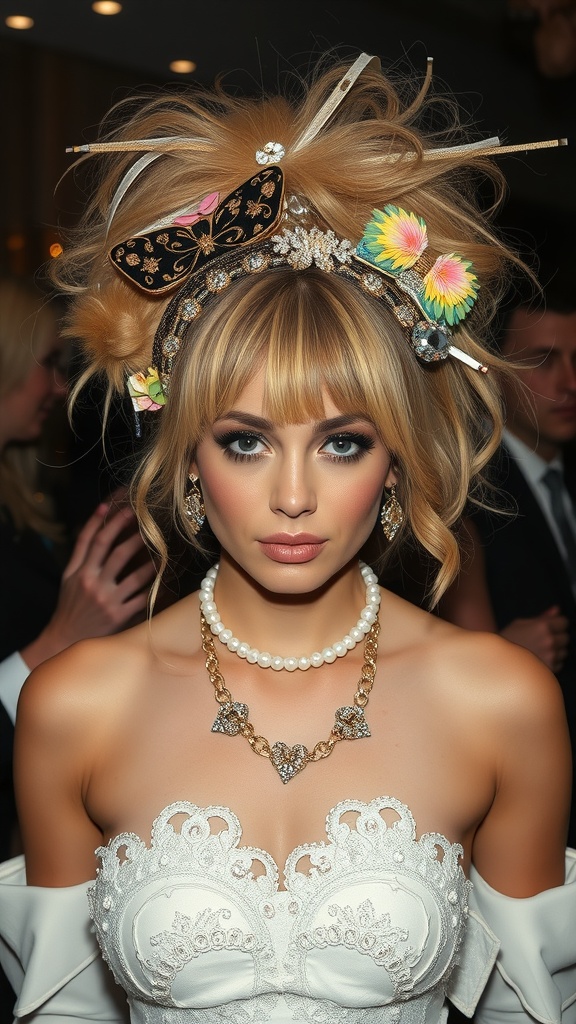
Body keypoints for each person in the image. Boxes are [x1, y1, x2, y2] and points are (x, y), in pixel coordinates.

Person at [0, 53, 574, 1024]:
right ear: (187, 457)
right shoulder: (76, 706)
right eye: (246, 440)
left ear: (394, 460)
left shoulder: (501, 701)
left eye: (342, 441)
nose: (296, 494)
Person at [440, 287, 576, 846]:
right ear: (492, 371)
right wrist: (497, 649)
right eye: (545, 361)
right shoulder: (463, 499)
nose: (570, 382)